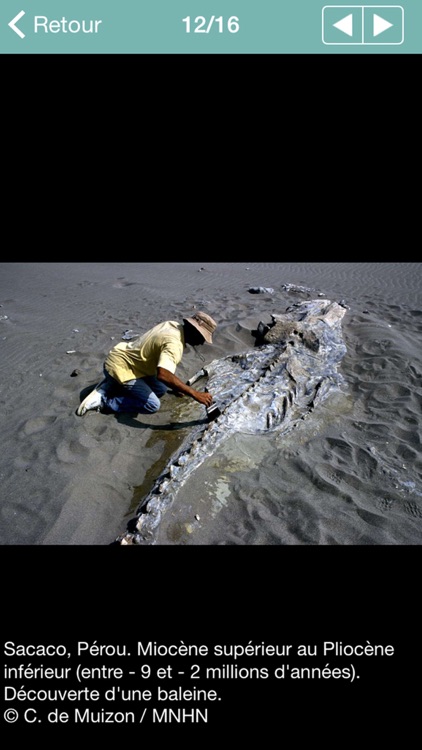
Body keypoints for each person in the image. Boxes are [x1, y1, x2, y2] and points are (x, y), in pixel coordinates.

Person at [76, 311, 217, 416]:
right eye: (202, 337)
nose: (202, 342)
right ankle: (104, 402)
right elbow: (163, 374)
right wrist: (194, 393)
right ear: (194, 332)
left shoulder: (172, 325)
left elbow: (159, 363)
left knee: (161, 390)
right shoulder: (174, 344)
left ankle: (113, 384)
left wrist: (177, 387)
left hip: (126, 360)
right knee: (152, 405)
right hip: (120, 367)